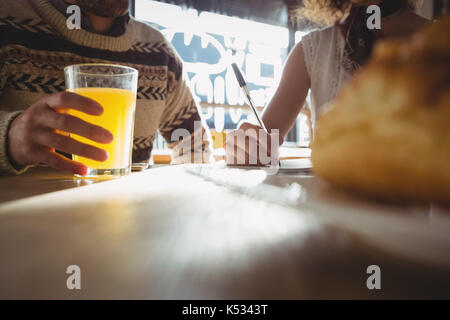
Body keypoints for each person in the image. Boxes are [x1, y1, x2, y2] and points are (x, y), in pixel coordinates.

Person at [0, 0, 212, 176]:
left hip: (126, 222)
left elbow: (196, 149)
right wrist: (7, 137)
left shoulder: (160, 54)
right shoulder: (6, 20)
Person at [225, 0, 430, 165]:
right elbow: (261, 144)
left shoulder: (442, 40)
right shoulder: (312, 50)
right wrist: (244, 146)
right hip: (334, 212)